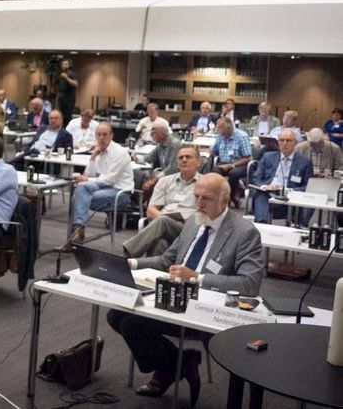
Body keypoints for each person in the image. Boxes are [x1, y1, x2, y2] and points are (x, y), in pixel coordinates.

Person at [109, 173, 264, 404]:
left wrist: (198, 278)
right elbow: (166, 261)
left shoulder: (244, 232)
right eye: (196, 196)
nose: (198, 203)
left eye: (206, 199)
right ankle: (180, 363)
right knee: (116, 314)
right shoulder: (194, 222)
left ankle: (171, 368)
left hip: (206, 307)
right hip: (174, 295)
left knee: (132, 323)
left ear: (225, 200)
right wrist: (131, 264)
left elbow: (249, 284)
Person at [122, 146, 200, 258]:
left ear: (198, 162)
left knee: (163, 222)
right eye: (180, 158)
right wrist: (166, 218)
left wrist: (167, 219)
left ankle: (126, 256)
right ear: (177, 163)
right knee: (160, 243)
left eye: (188, 157)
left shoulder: (205, 184)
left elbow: (207, 214)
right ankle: (150, 272)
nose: (184, 160)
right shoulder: (165, 181)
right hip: (163, 223)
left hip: (189, 228)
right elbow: (150, 210)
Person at [68, 122, 134, 244]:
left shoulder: (120, 152)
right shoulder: (99, 151)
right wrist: (93, 157)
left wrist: (87, 180)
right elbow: (90, 175)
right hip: (102, 187)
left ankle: (75, 235)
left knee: (78, 197)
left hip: (120, 192)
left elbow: (110, 180)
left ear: (111, 135)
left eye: (105, 135)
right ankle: (78, 230)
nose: (101, 138)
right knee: (81, 189)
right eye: (98, 135)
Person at [249, 129, 312, 224]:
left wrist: (291, 191)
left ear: (295, 143)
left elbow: (308, 187)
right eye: (281, 140)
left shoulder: (305, 162)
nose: (284, 143)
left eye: (288, 140)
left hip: (291, 197)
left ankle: (300, 227)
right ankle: (262, 224)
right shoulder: (268, 156)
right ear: (278, 142)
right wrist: (265, 186)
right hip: (269, 194)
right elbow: (256, 177)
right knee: (260, 196)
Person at [210, 117, 252, 207]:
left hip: (240, 163)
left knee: (233, 173)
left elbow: (248, 158)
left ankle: (230, 197)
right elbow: (213, 150)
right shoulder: (220, 136)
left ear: (228, 128)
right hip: (224, 162)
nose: (217, 130)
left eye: (219, 128)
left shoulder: (241, 137)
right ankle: (216, 197)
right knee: (214, 171)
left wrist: (231, 165)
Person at [139, 123, 181, 201]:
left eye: (153, 132)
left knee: (148, 185)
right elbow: (150, 157)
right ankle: (142, 205)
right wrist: (135, 158)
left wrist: (154, 180)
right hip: (164, 176)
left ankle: (145, 206)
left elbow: (173, 168)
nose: (151, 135)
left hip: (174, 177)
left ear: (162, 133)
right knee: (142, 180)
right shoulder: (160, 144)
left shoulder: (175, 144)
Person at [57, 58, 79, 122]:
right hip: (62, 98)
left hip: (69, 99)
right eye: (63, 64)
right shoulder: (61, 74)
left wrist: (67, 78)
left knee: (67, 116)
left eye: (66, 64)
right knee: (61, 115)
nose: (64, 65)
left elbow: (76, 84)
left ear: (69, 65)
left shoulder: (71, 73)